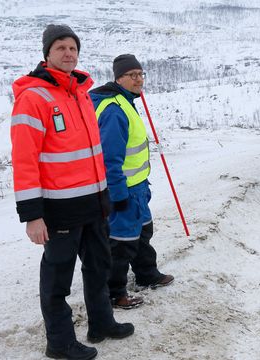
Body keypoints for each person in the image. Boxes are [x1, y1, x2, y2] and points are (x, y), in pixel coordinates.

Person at [10, 24, 134, 359]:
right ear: (47, 54)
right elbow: (24, 161)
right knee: (57, 278)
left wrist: (106, 197)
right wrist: (32, 216)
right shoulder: (33, 98)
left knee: (99, 266)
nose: (68, 53)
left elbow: (92, 153)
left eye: (73, 48)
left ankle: (101, 323)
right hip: (59, 208)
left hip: (94, 203)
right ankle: (60, 342)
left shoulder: (80, 92)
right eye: (60, 48)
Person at [90, 54, 174, 310]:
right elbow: (110, 158)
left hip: (138, 187)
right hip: (123, 189)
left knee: (143, 232)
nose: (139, 80)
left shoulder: (127, 100)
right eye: (132, 75)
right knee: (122, 242)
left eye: (141, 74)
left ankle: (147, 275)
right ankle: (115, 293)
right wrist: (117, 195)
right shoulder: (114, 110)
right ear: (119, 78)